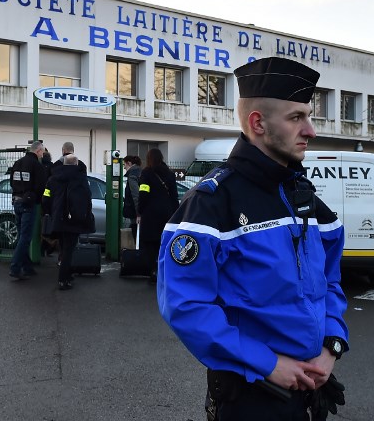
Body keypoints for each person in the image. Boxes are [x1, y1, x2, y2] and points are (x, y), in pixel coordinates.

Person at [157, 57, 349, 421]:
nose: (310, 130)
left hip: (309, 389)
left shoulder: (304, 197)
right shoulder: (211, 204)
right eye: (296, 118)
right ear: (257, 123)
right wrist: (269, 363)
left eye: (308, 116)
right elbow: (185, 306)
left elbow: (331, 283)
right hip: (251, 396)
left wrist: (331, 346)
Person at [42, 154, 94, 290]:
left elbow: (46, 196)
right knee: (69, 249)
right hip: (74, 219)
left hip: (59, 218)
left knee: (64, 247)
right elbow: (87, 197)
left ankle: (67, 275)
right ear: (76, 164)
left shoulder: (53, 178)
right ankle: (63, 279)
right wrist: (86, 214)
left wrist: (50, 211)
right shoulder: (81, 178)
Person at [137, 149, 179, 282]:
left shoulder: (146, 173)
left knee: (150, 244)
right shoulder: (170, 174)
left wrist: (139, 211)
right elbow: (174, 196)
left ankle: (153, 271)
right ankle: (164, 270)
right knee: (165, 242)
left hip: (150, 213)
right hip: (167, 214)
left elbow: (143, 193)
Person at [8, 141, 47, 279]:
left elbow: (12, 182)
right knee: (25, 237)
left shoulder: (18, 163)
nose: (43, 154)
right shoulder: (37, 166)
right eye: (42, 152)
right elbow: (41, 187)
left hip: (16, 201)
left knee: (21, 236)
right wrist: (36, 199)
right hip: (29, 204)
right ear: (38, 151)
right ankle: (15, 267)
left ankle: (27, 267)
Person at [122, 155, 142, 242]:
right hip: (142, 209)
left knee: (135, 231)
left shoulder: (132, 175)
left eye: (124, 165)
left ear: (129, 163)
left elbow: (135, 195)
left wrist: (138, 213)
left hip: (134, 211)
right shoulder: (141, 172)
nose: (124, 168)